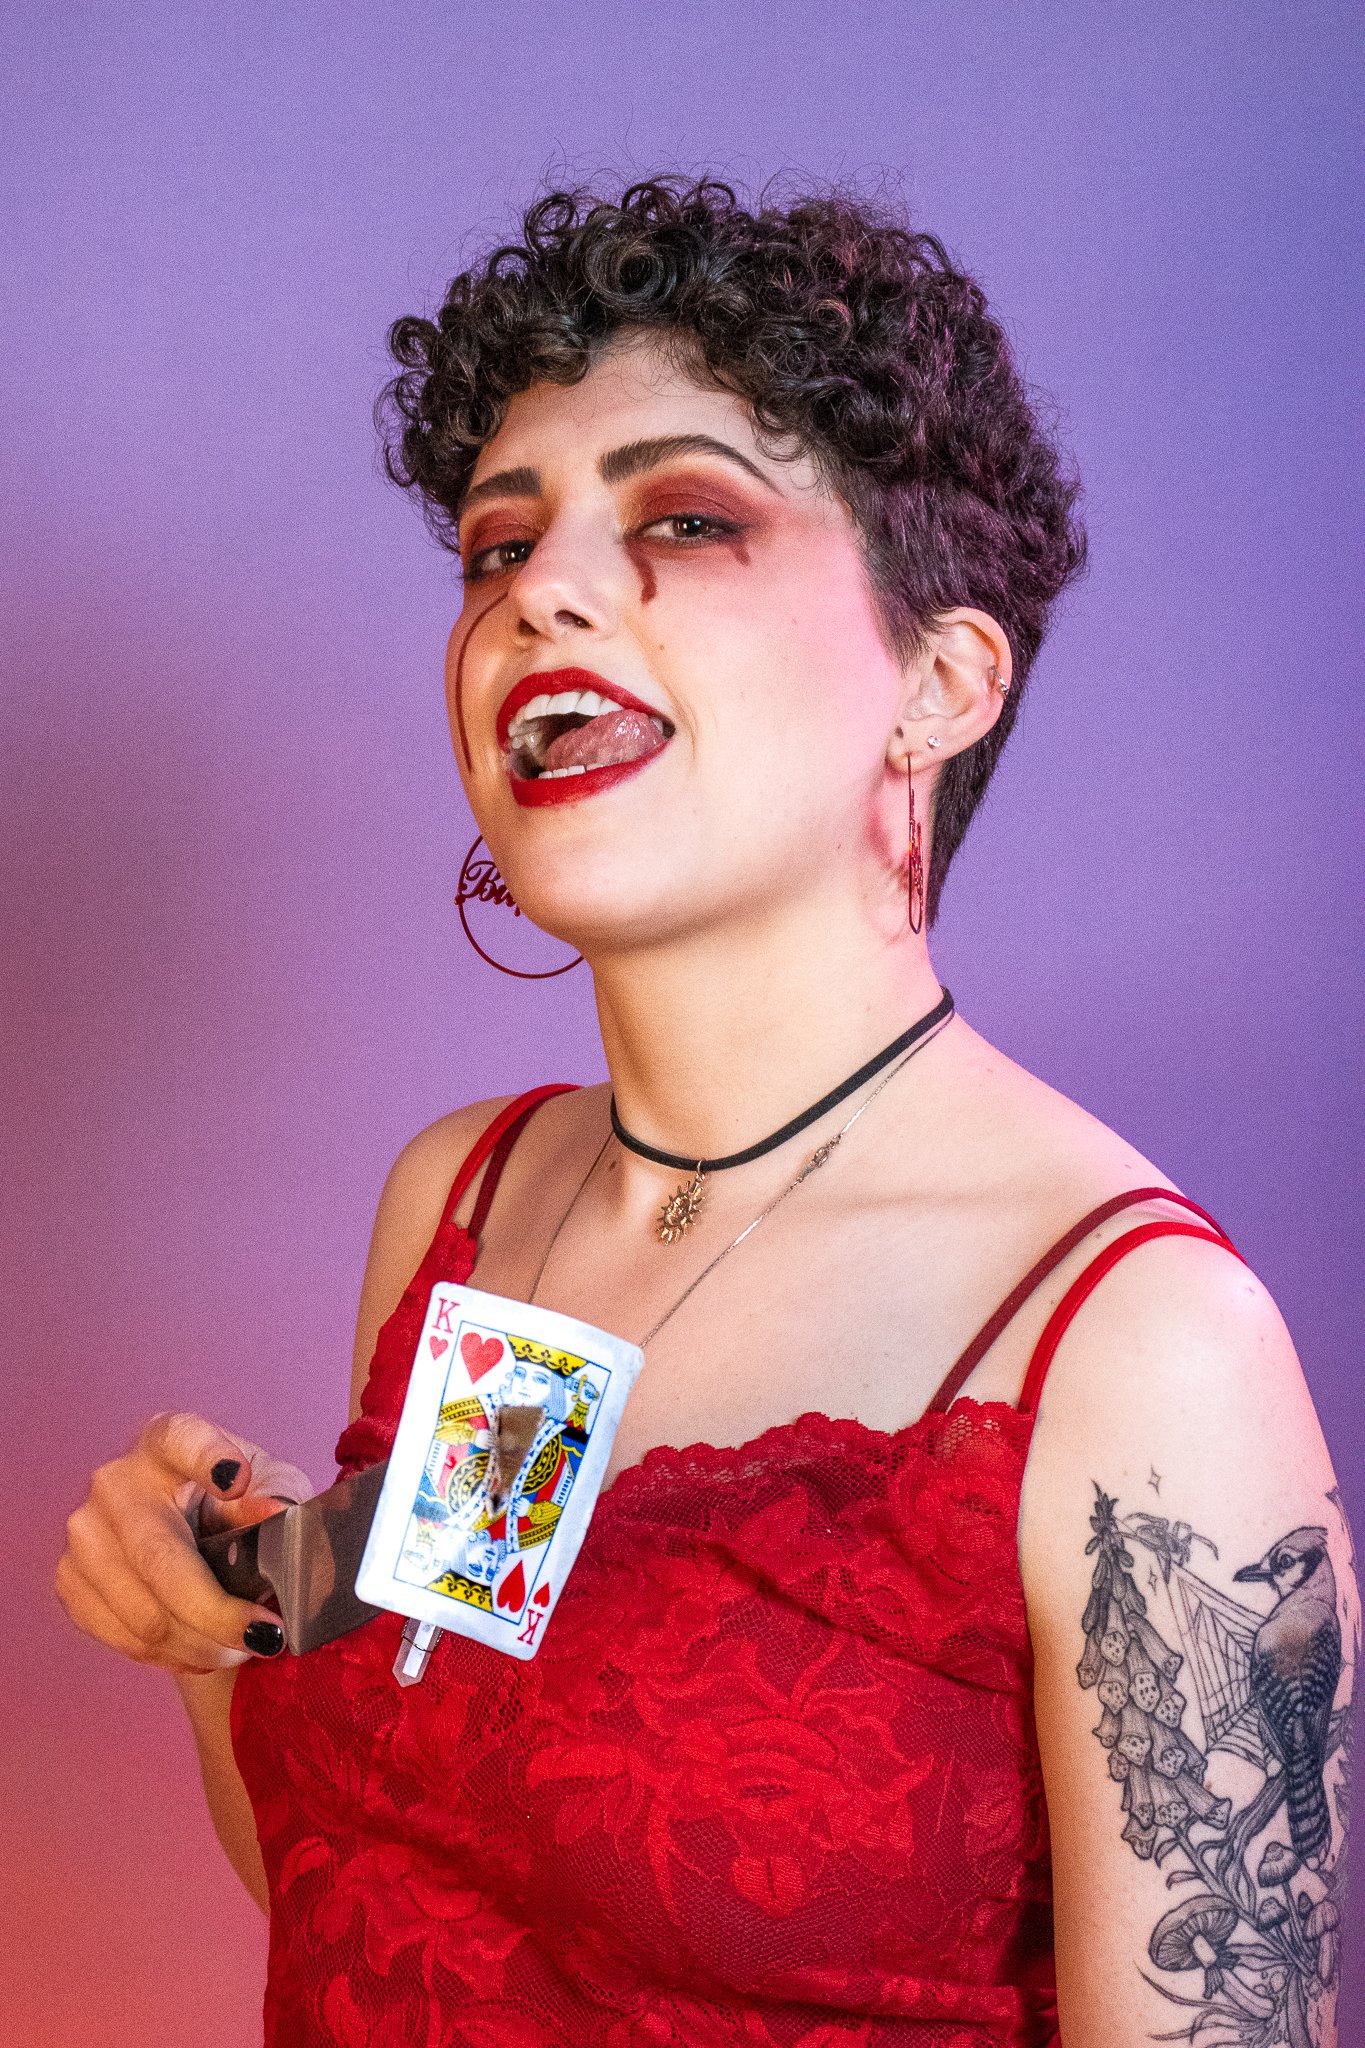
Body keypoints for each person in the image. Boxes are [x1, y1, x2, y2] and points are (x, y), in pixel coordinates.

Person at [55, 178, 1354, 2047]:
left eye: (682, 518)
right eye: (501, 547)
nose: (539, 592)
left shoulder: (1135, 1350)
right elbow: (398, 1884)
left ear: (936, 682)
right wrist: (222, 1626)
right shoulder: (474, 1200)